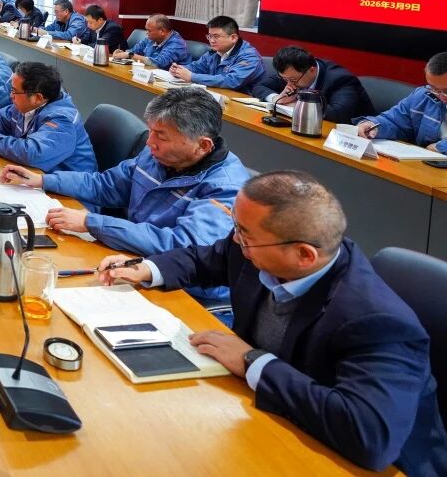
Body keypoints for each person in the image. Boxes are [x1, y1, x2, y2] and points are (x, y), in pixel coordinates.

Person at [99, 171, 447, 475]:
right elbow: (208, 259)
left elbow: (369, 436)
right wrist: (146, 268)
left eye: (244, 235)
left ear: (303, 255)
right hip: (275, 418)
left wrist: (253, 362)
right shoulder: (260, 246)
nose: (236, 240)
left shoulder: (378, 321)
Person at [2, 88, 246, 304]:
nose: (149, 142)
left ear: (202, 146)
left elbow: (184, 248)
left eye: (161, 136)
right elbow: (106, 185)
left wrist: (92, 222)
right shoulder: (157, 156)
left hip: (184, 292)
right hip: (133, 261)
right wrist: (44, 180)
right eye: (150, 131)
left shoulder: (226, 188)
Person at [251, 46, 374, 123]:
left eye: (293, 80)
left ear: (312, 70)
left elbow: (338, 115)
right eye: (284, 78)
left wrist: (297, 104)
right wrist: (277, 98)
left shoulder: (340, 79)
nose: (288, 83)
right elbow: (258, 86)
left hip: (356, 135)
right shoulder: (290, 72)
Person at [355, 51, 447, 153]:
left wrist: (441, 147)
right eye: (434, 88)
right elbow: (395, 121)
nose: (441, 96)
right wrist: (372, 125)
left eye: (446, 91)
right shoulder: (423, 96)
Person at [170, 15, 264, 93]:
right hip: (218, 95)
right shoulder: (214, 52)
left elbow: (231, 81)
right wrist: (179, 70)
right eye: (210, 36)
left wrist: (192, 77)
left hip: (243, 102)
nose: (211, 41)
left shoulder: (249, 56)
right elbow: (196, 67)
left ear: (233, 38)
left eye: (216, 36)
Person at [114, 13, 189, 69]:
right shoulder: (151, 38)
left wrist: (130, 55)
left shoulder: (177, 44)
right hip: (149, 74)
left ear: (162, 31)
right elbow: (134, 51)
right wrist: (122, 54)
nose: (147, 33)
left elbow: (159, 63)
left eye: (149, 30)